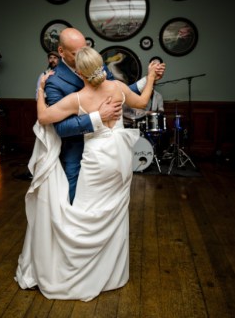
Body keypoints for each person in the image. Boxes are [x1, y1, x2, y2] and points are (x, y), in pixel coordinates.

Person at [15, 46, 159, 301]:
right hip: (121, 157)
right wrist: (150, 75)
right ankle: (112, 274)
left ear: (80, 73)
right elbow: (143, 101)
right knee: (114, 212)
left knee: (85, 215)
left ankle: (79, 271)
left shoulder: (78, 98)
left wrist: (40, 91)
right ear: (100, 67)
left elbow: (44, 117)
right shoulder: (117, 88)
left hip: (98, 160)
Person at [44, 28, 166, 204]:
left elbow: (123, 93)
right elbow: (61, 128)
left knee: (114, 199)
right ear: (61, 51)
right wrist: (97, 117)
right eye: (75, 52)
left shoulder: (97, 68)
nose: (81, 54)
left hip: (112, 149)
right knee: (76, 198)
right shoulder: (54, 81)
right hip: (78, 147)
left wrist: (150, 79)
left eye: (84, 48)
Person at [122, 56, 165, 129]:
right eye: (154, 64)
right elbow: (141, 103)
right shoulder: (123, 90)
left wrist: (152, 76)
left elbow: (161, 111)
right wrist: (151, 76)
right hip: (133, 123)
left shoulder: (158, 96)